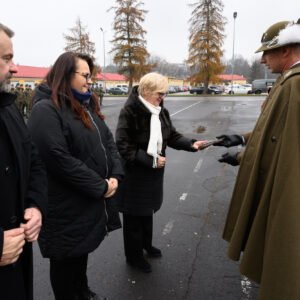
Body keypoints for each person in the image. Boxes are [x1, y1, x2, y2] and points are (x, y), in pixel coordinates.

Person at [27, 52, 124, 300]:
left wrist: (115, 176)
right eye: (85, 75)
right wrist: (99, 186)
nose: (89, 81)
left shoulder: (85, 105)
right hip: (63, 208)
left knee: (80, 254)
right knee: (65, 261)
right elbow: (58, 159)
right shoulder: (45, 109)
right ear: (66, 75)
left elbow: (108, 143)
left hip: (85, 203)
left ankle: (83, 292)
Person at [216, 19, 300, 299]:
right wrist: (241, 140)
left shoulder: (294, 84)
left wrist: (242, 156)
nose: (263, 58)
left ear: (287, 50)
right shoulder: (288, 81)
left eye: (268, 51)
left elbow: (282, 148)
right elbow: (272, 130)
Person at [115, 72, 207, 273]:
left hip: (154, 172)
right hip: (135, 174)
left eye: (164, 93)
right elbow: (123, 145)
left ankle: (146, 245)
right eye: (160, 93)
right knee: (134, 218)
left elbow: (171, 135)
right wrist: (150, 160)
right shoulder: (130, 111)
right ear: (146, 91)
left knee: (147, 212)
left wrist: (191, 144)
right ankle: (134, 256)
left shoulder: (159, 110)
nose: (163, 97)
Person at [0, 23, 47, 300]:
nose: (15, 67)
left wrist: (35, 205)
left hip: (17, 270)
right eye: (6, 58)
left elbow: (35, 163)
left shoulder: (9, 109)